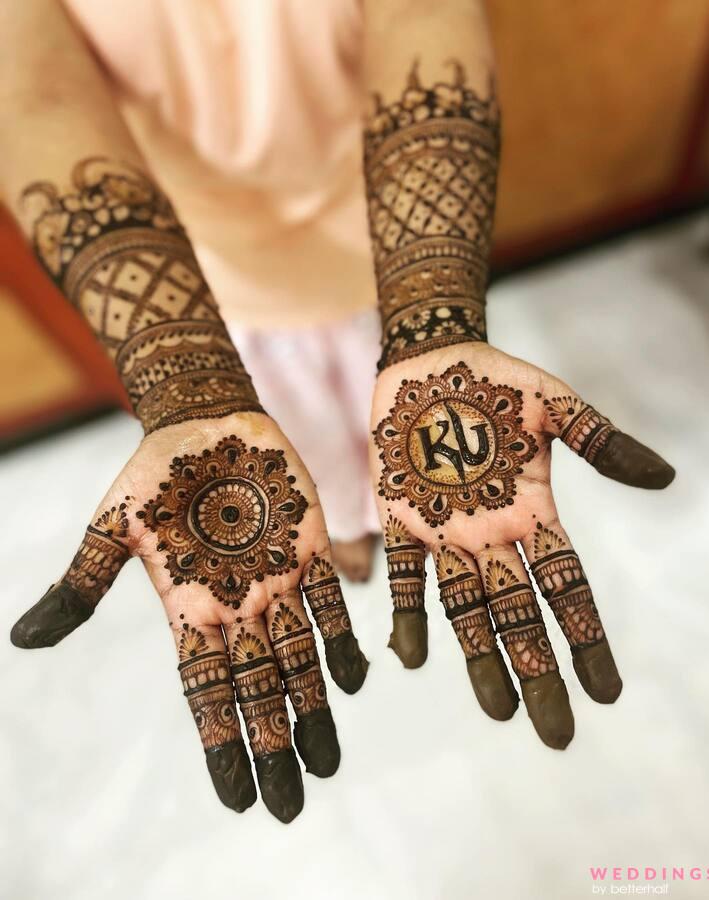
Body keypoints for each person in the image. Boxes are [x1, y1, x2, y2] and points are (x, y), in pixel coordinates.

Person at [2, 0, 674, 824]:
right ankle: (349, 536)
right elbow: (34, 96)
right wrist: (189, 384)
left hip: (389, 263)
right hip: (212, 298)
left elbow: (425, 17)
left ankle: (361, 525)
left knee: (390, 454)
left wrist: (434, 315)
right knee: (296, 455)